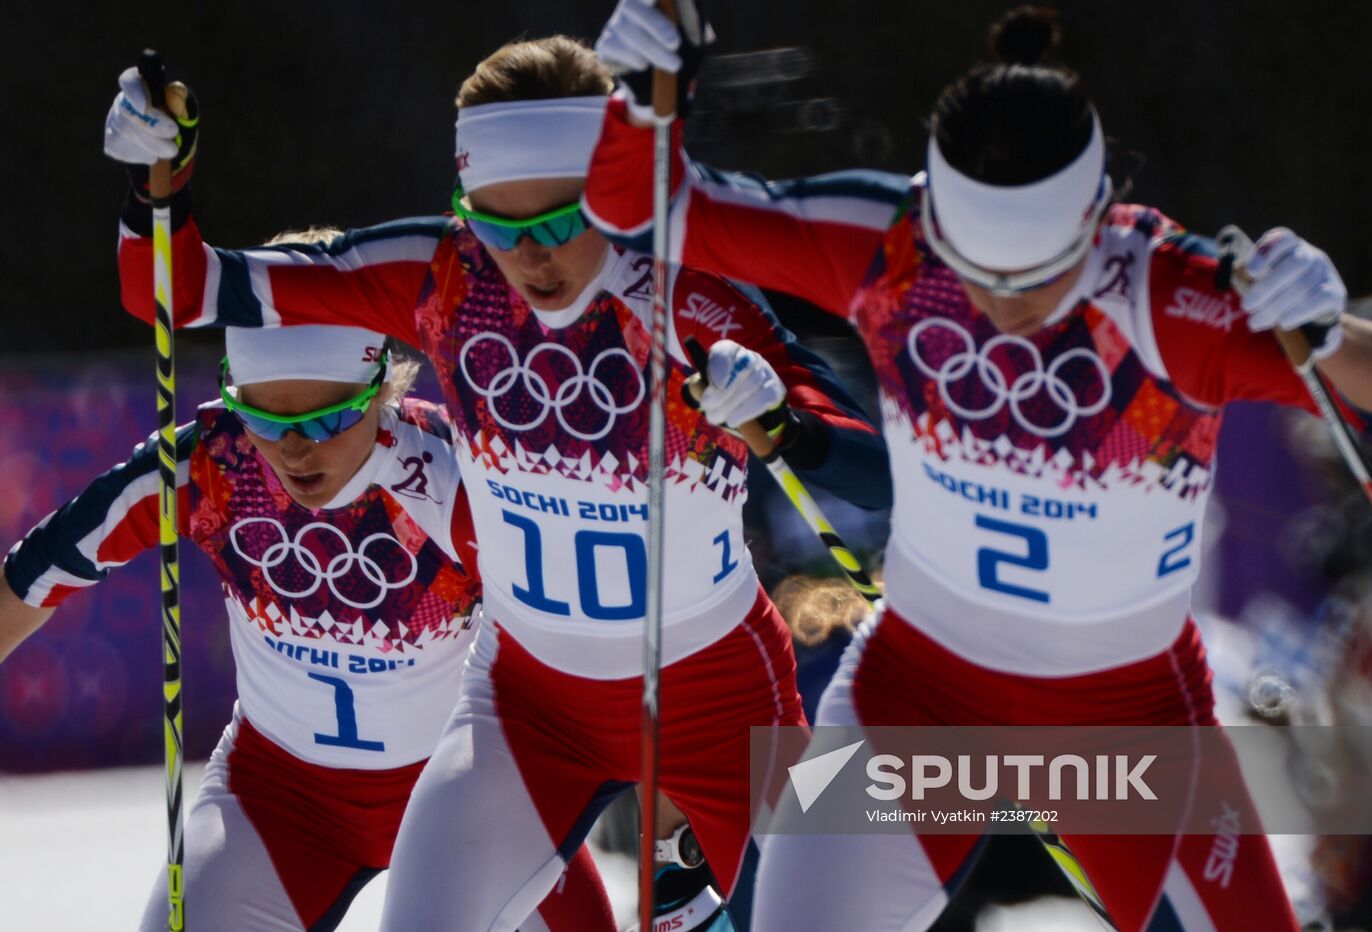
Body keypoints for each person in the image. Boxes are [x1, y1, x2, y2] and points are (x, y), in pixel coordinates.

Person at [583, 4, 1372, 930]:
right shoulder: (894, 241)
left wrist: (1332, 333)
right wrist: (644, 99)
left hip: (1123, 722)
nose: (1002, 312)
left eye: (1040, 279)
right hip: (916, 691)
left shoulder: (1171, 293)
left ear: (1097, 220)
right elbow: (650, 208)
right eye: (976, 275)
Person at [102, 36, 891, 930]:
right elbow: (180, 289)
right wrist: (157, 184)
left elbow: (868, 473)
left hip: (717, 691)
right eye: (498, 223)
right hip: (526, 701)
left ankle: (681, 892)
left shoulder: (687, 300)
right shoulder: (446, 275)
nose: (532, 257)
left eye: (559, 221)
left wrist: (781, 425)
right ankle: (678, 891)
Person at [0, 310, 615, 931]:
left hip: (468, 785)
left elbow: (615, 638)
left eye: (327, 420)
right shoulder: (214, 465)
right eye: (266, 420)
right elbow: (35, 573)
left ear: (379, 388)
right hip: (282, 797)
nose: (295, 451)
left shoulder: (458, 474)